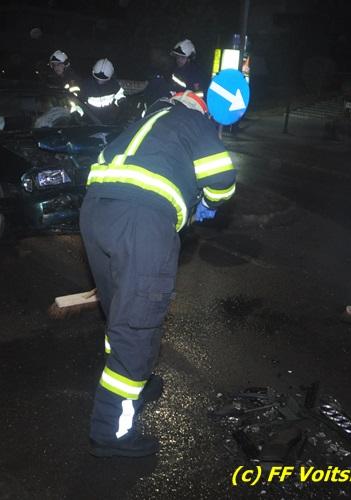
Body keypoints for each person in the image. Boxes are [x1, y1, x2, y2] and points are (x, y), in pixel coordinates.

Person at [80, 91, 237, 457]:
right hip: (142, 223)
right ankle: (111, 432)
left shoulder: (143, 123)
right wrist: (210, 202)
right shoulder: (194, 121)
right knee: (139, 323)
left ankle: (134, 380)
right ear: (198, 109)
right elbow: (223, 177)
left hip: (94, 214)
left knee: (120, 310)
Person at [81, 58, 126, 125]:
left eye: (103, 79)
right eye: (97, 78)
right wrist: (78, 113)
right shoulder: (86, 85)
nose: (100, 81)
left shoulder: (114, 85)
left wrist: (121, 101)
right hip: (90, 120)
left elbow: (119, 95)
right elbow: (79, 101)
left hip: (109, 119)